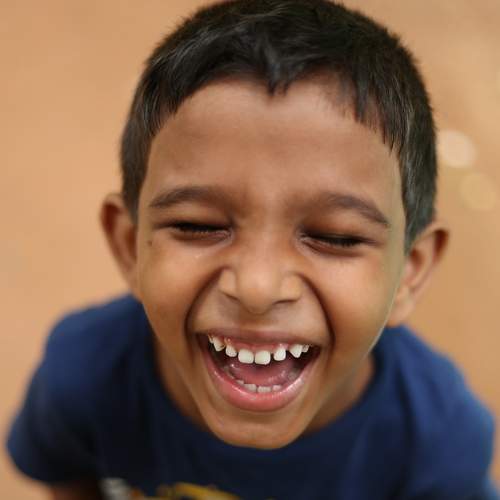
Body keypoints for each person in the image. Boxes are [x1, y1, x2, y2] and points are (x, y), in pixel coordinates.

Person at [6, 0, 498, 499]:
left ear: (410, 270)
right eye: (197, 225)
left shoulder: (438, 444)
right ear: (130, 245)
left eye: (335, 237)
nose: (257, 287)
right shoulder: (83, 380)